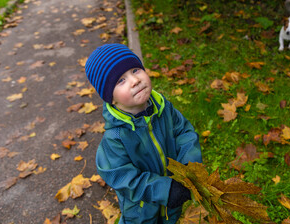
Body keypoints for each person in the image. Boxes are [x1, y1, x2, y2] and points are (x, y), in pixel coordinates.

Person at [85, 43, 202, 224]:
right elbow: (123, 176)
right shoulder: (115, 137)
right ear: (112, 99)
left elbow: (185, 133)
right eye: (121, 80)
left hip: (173, 198)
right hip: (141, 211)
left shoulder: (164, 109)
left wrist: (189, 165)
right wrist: (164, 190)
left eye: (135, 70)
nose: (134, 80)